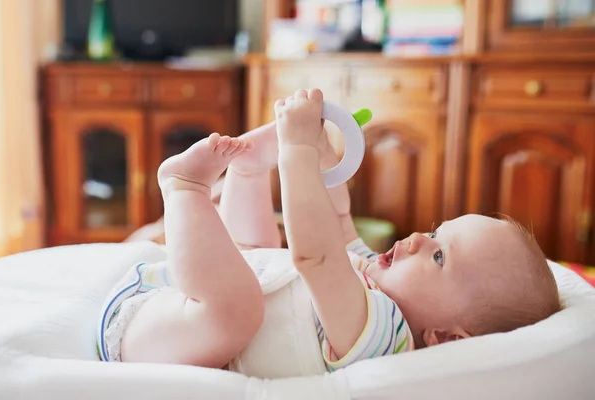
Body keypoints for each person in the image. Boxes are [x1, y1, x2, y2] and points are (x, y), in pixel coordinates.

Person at [97, 89, 561, 377]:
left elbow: (315, 254)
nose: (418, 238)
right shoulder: (368, 276)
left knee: (239, 304)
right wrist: (319, 153)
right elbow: (337, 221)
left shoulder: (387, 336)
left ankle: (184, 189)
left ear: (445, 338)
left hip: (154, 342)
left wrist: (296, 147)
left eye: (439, 256)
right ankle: (249, 171)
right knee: (254, 260)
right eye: (435, 230)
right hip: (169, 316)